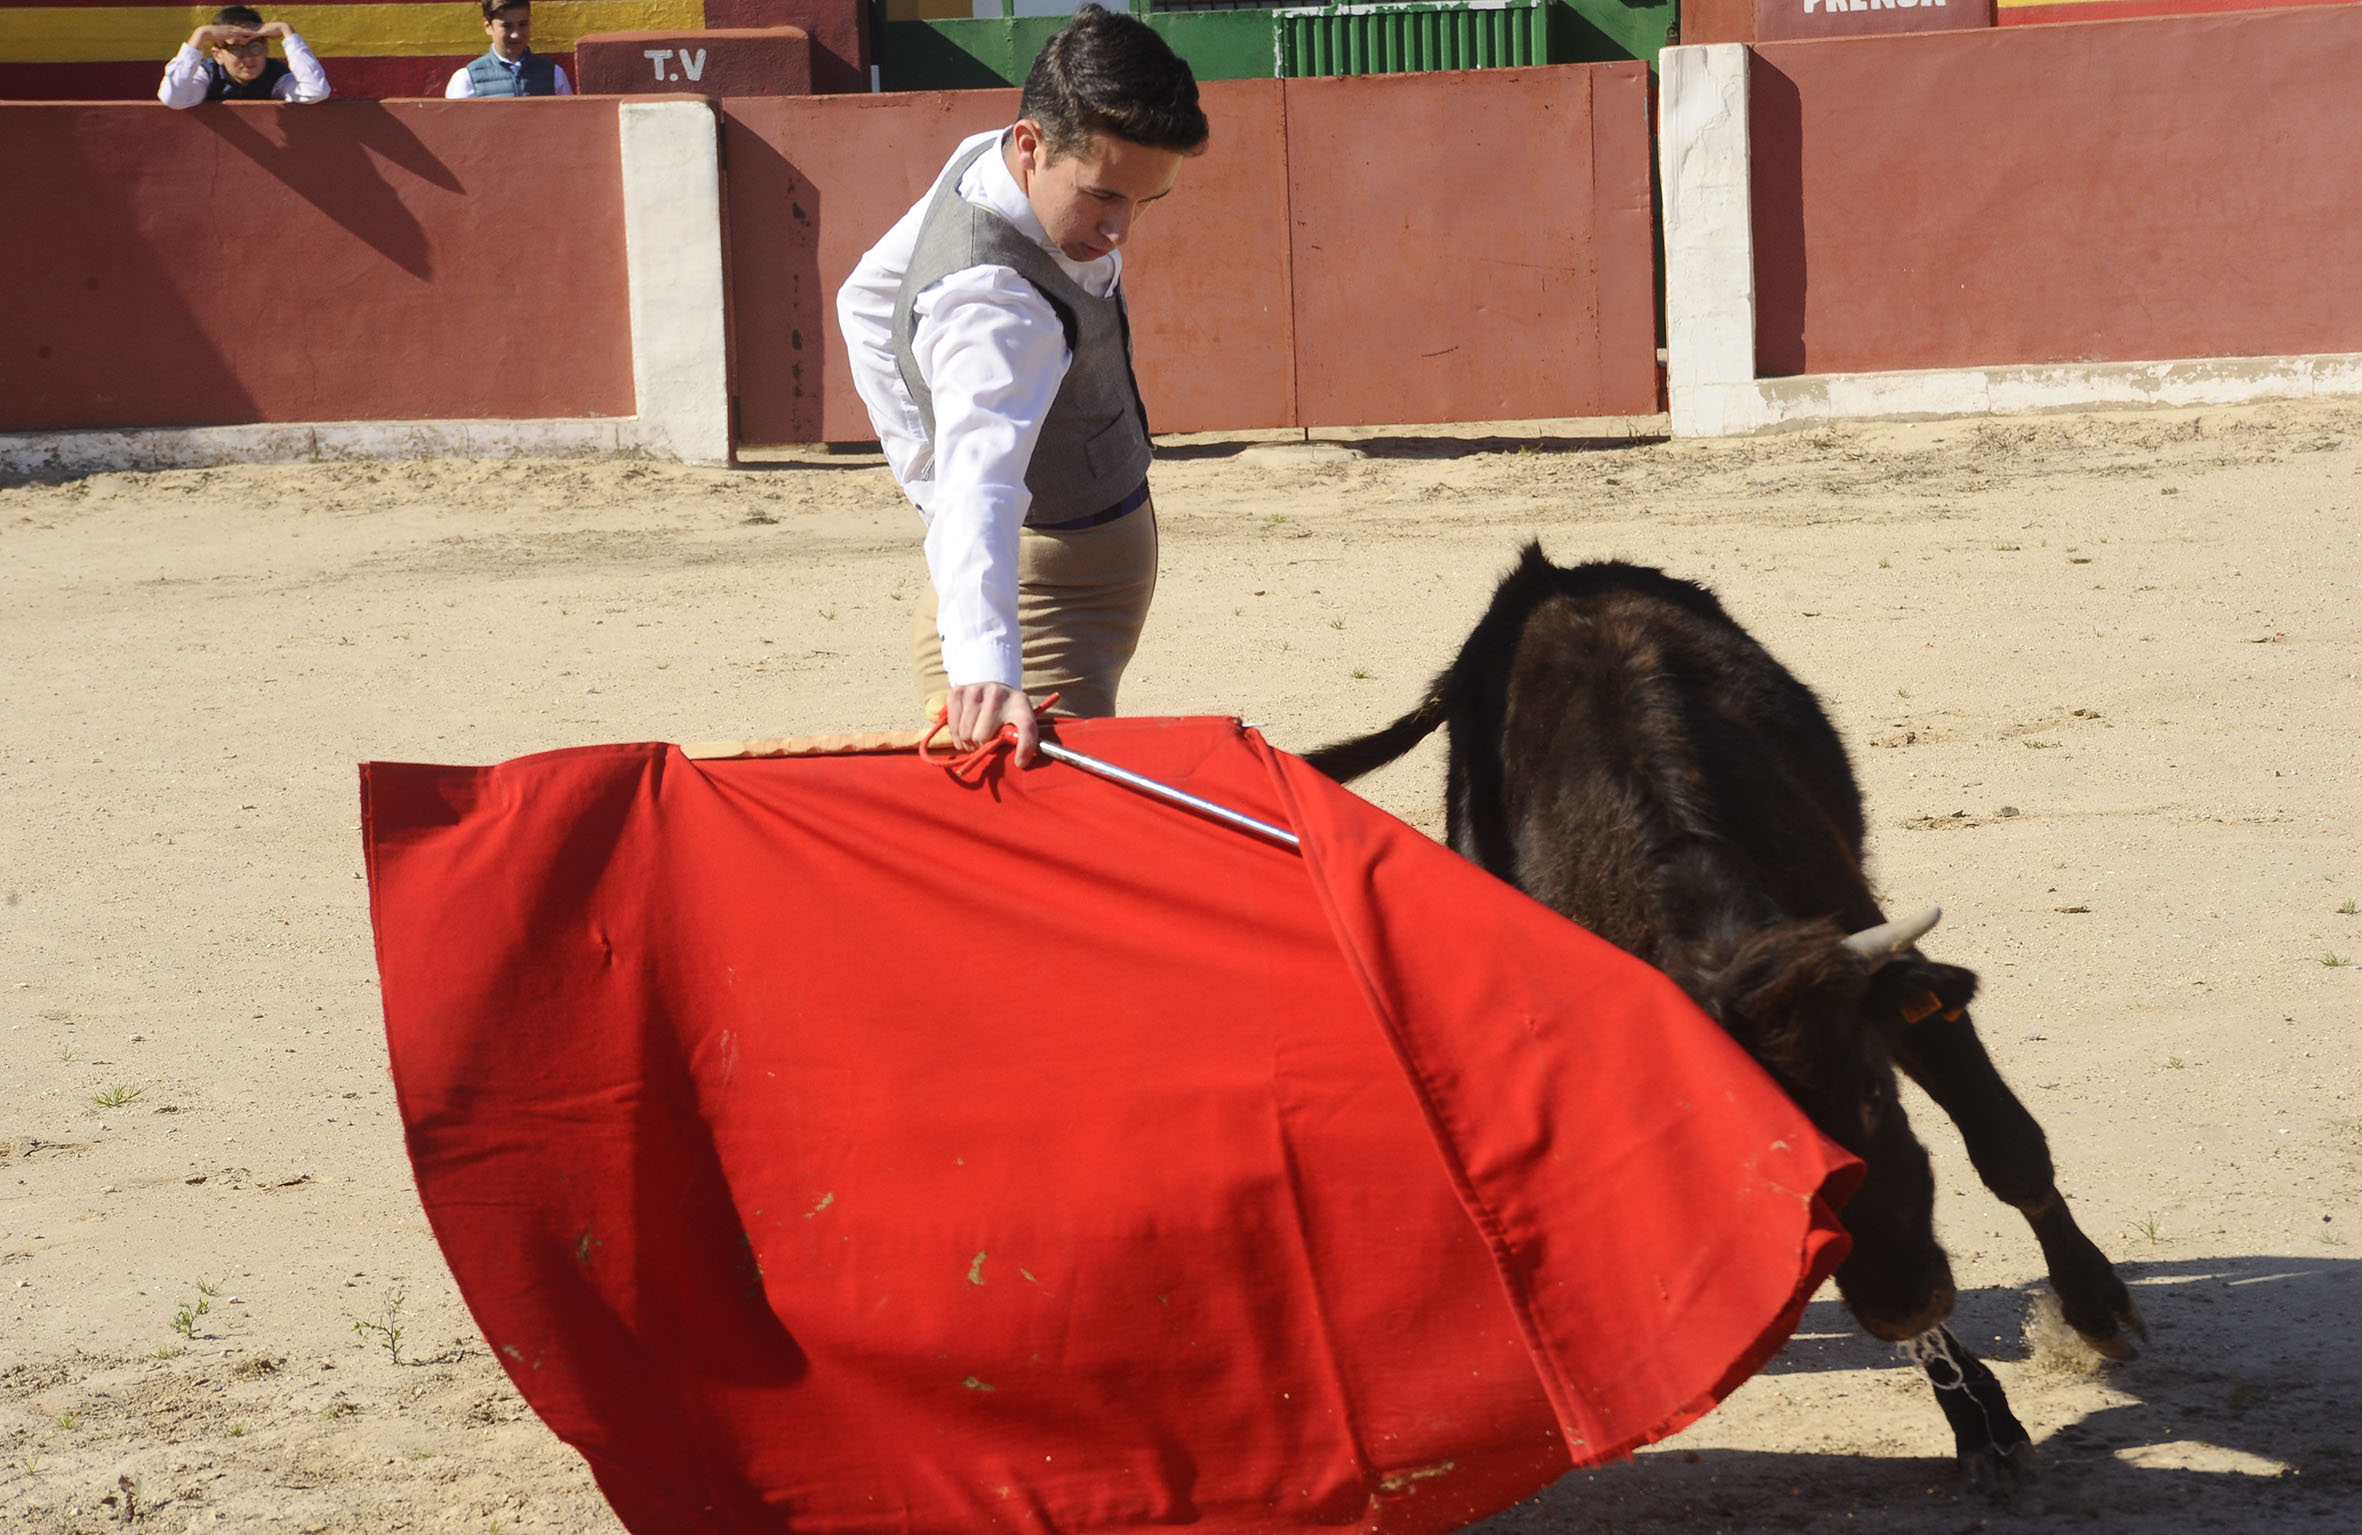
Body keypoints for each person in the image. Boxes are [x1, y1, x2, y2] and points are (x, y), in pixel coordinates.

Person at [836, 4, 1208, 766]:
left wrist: (929, 476)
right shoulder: (996, 304)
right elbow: (983, 488)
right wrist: (985, 668)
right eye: (1105, 195)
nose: (1120, 232)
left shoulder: (991, 155)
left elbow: (867, 298)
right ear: (1035, 146)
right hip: (1043, 595)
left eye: (1145, 200)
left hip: (1057, 573)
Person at [157, 7, 330, 108]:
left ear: (266, 50)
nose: (248, 58)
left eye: (255, 46)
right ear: (218, 55)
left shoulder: (276, 76)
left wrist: (287, 32)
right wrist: (200, 36)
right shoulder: (208, 74)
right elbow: (173, 97)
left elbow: (316, 91)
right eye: (236, 49)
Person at [446, 1, 574, 98]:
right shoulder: (467, 79)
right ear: (488, 26)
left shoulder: (553, 74)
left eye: (523, 24)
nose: (516, 34)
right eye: (507, 26)